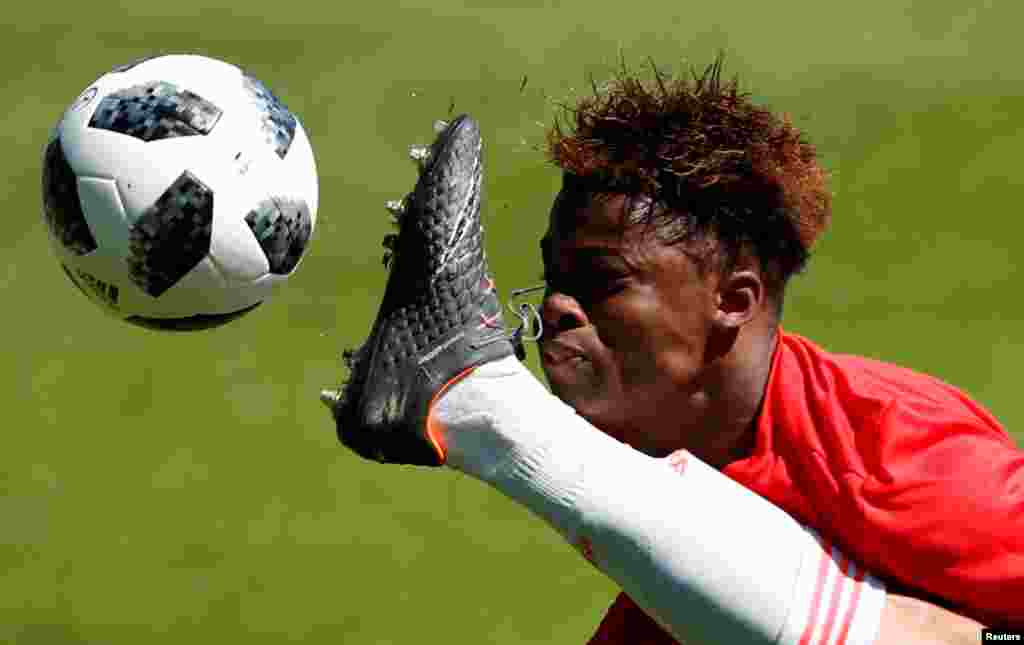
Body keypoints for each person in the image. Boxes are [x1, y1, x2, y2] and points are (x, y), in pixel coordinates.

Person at [320, 59, 1022, 644]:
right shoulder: (685, 562)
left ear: (733, 300)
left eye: (603, 281)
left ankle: (480, 400)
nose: (558, 308)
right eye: (557, 279)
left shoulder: (892, 454)